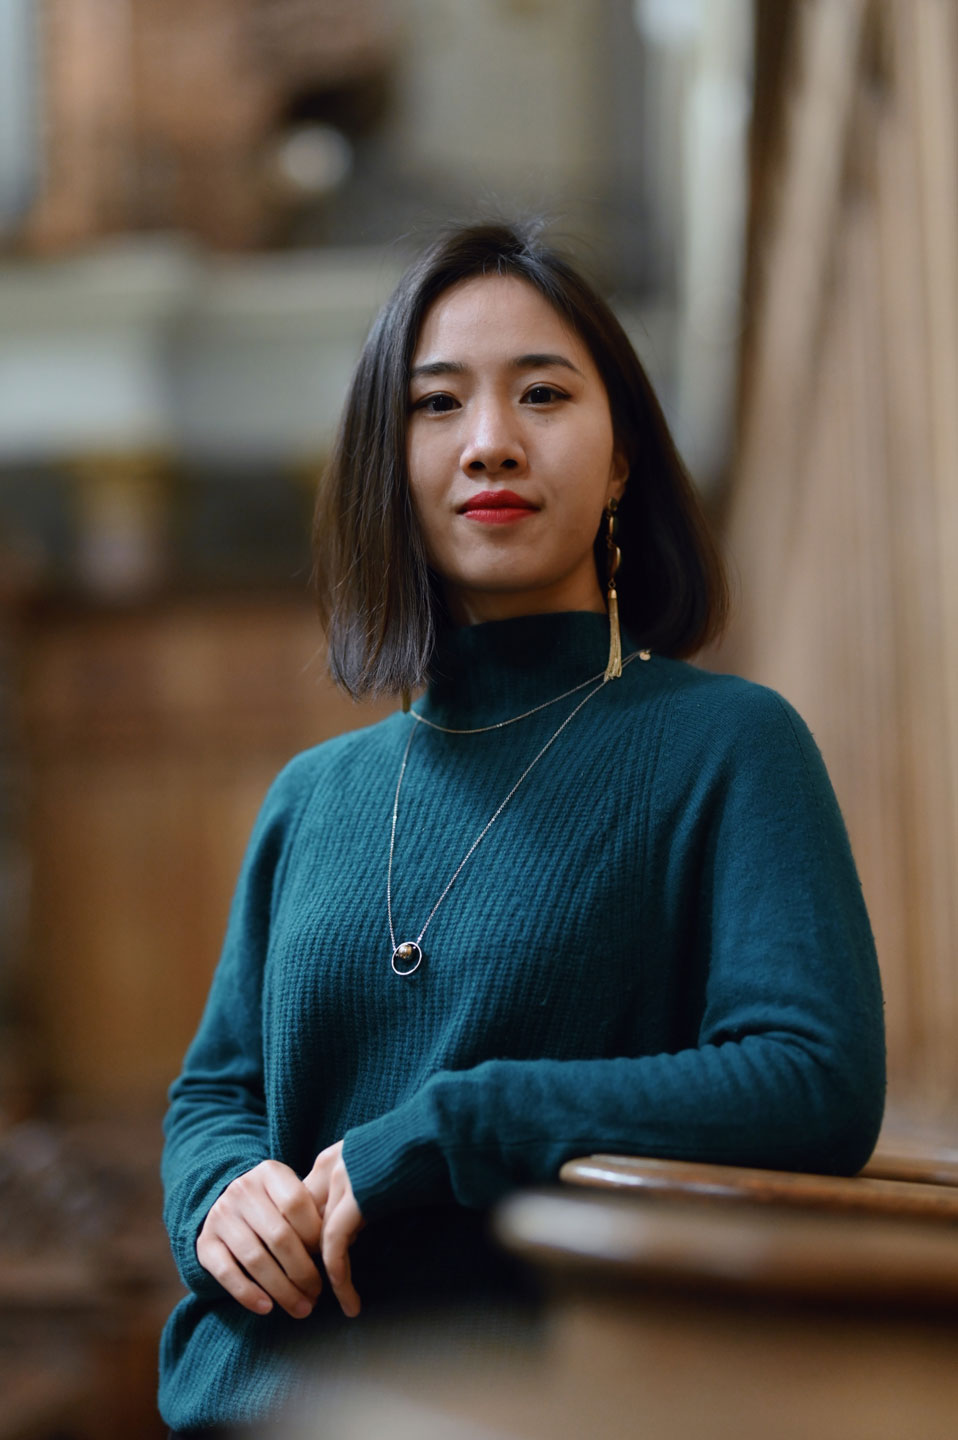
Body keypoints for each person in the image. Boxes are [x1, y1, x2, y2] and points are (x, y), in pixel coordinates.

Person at [159, 220, 886, 1435]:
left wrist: (460, 1123)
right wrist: (216, 1196)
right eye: (435, 406)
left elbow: (813, 1080)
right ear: (388, 465)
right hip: (249, 1396)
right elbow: (214, 1091)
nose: (490, 442)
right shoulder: (314, 793)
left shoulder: (728, 745)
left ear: (620, 464)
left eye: (542, 394)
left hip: (524, 1396)